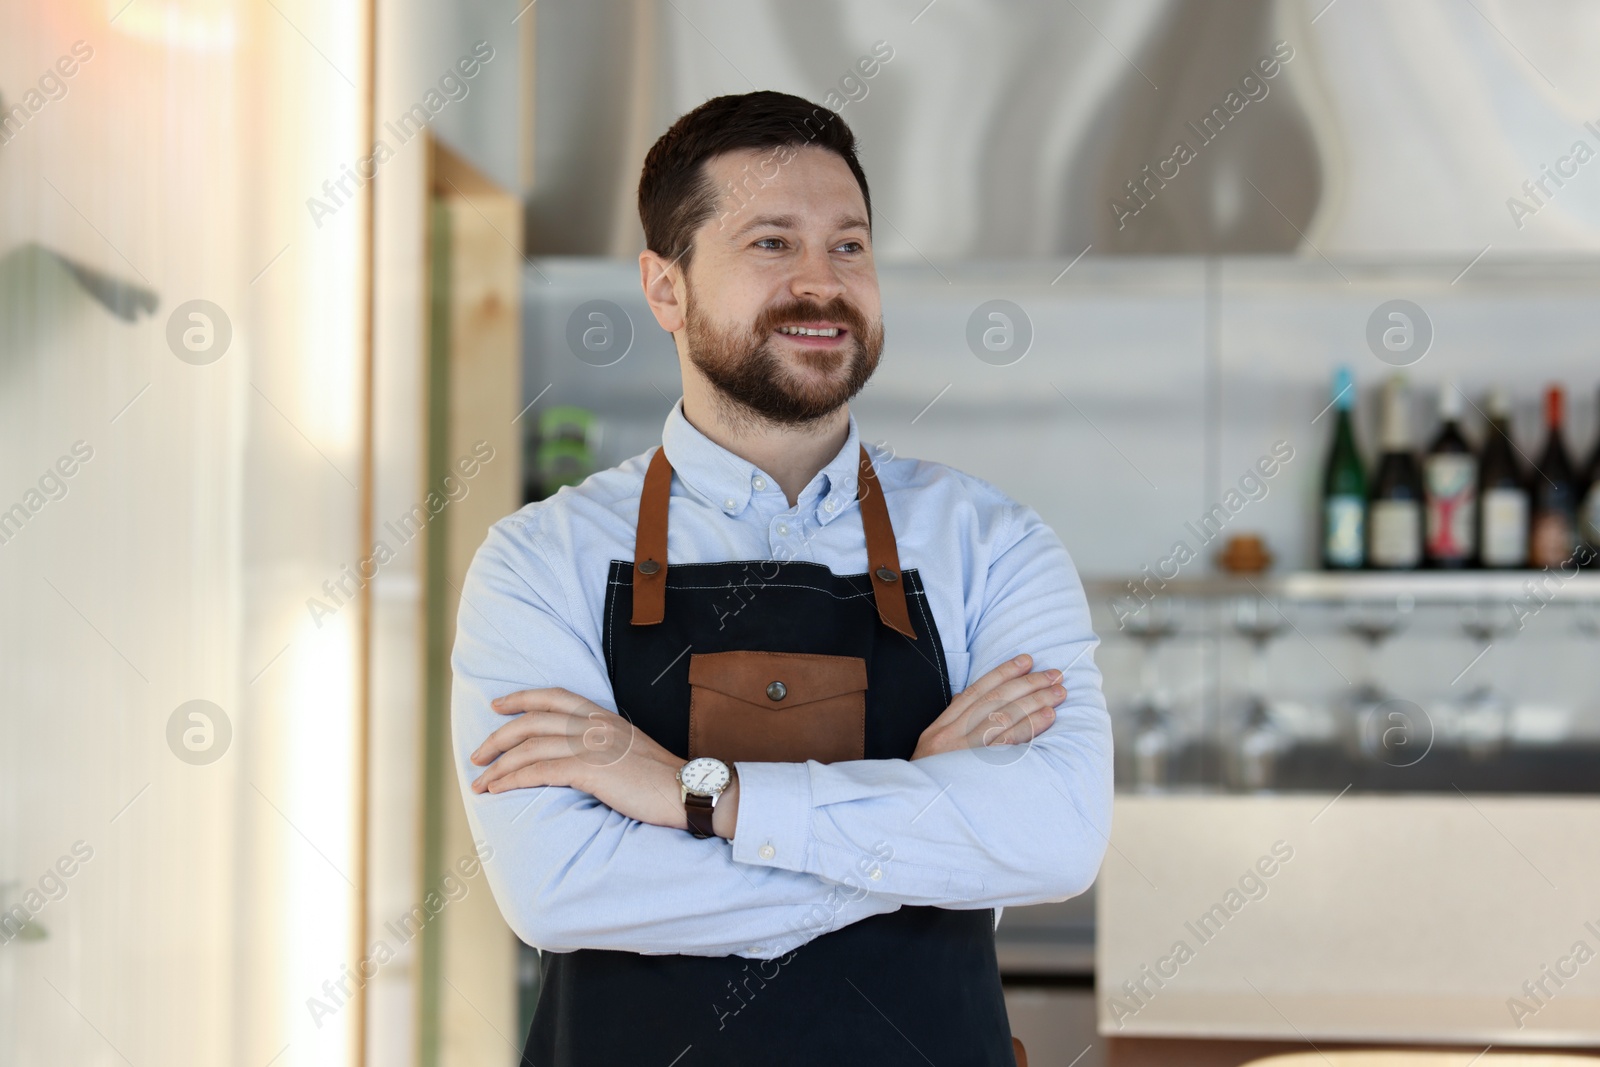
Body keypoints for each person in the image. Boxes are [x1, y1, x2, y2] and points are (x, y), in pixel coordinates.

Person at [451, 90, 1111, 1067]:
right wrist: (925, 813)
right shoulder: (538, 558)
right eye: (771, 242)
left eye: (848, 245)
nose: (821, 282)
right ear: (664, 288)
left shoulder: (993, 543)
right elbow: (560, 888)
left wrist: (690, 793)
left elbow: (1054, 840)